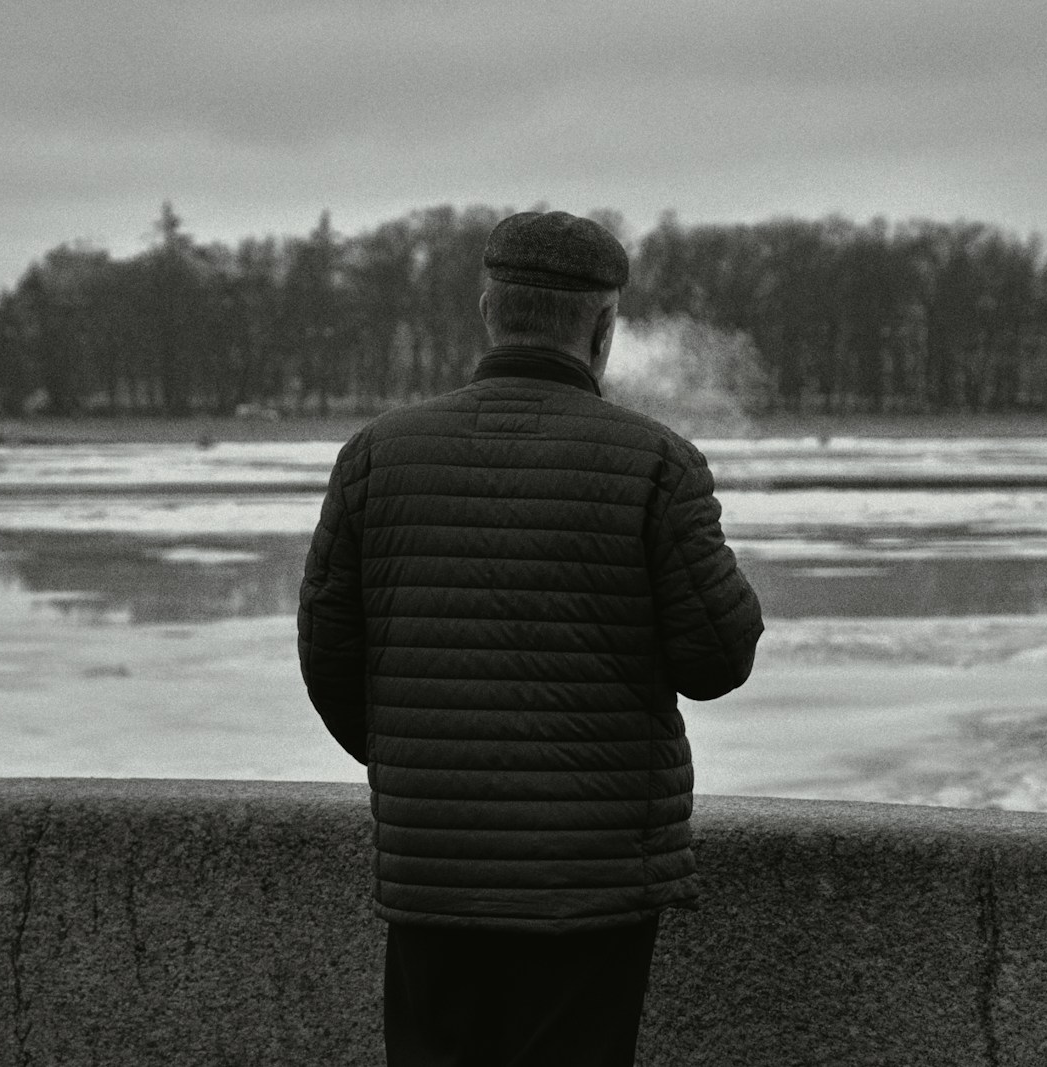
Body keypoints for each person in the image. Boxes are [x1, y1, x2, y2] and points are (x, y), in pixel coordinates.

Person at [298, 210, 764, 1066]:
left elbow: (329, 658)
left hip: (431, 870)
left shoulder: (376, 455)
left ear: (488, 310)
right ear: (603, 328)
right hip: (593, 882)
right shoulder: (656, 462)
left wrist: (426, 769)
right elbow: (717, 658)